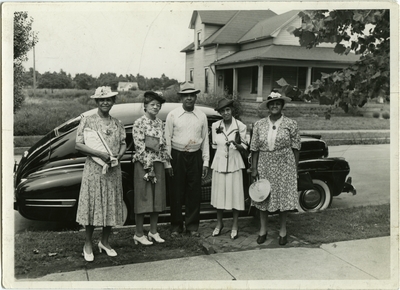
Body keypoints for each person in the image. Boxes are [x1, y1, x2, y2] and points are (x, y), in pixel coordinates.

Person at [75, 86, 126, 261]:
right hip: (94, 170)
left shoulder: (117, 123)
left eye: (109, 99)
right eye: (102, 99)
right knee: (93, 205)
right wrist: (99, 154)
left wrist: (119, 154)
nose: (105, 102)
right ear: (97, 102)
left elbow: (123, 143)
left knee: (110, 205)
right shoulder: (88, 121)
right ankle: (87, 244)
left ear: (113, 102)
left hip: (112, 170)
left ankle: (104, 242)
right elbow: (79, 144)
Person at [250, 90, 301, 245]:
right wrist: (254, 168)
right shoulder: (259, 125)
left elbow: (296, 147)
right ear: (268, 106)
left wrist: (295, 168)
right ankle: (263, 230)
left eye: (278, 103)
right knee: (263, 196)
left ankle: (283, 230)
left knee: (282, 196)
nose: (275, 106)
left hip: (285, 164)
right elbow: (254, 148)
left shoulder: (291, 124)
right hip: (265, 163)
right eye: (272, 104)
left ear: (282, 105)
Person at [164, 81, 209, 238]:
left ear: (196, 97)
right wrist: (167, 162)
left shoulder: (201, 116)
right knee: (176, 192)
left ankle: (192, 226)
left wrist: (206, 162)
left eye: (192, 95)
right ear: (181, 98)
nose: (189, 98)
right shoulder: (173, 115)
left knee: (194, 192)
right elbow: (167, 139)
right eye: (186, 96)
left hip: (195, 155)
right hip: (177, 155)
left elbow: (205, 140)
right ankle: (176, 226)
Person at [131, 91, 172, 245]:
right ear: (145, 106)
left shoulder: (160, 123)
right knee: (143, 198)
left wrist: (166, 162)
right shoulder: (139, 123)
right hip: (144, 164)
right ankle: (139, 233)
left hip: (158, 163)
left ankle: (153, 231)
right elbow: (140, 146)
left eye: (158, 105)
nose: (155, 107)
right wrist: (149, 167)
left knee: (157, 198)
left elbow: (163, 146)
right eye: (152, 105)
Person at [210, 98, 247, 239]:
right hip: (219, 164)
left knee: (235, 195)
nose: (225, 113)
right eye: (222, 111)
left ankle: (235, 225)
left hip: (234, 164)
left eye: (228, 110)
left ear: (232, 110)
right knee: (219, 195)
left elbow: (244, 147)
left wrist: (235, 144)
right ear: (219, 112)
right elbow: (214, 146)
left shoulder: (240, 126)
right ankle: (219, 224)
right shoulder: (215, 126)